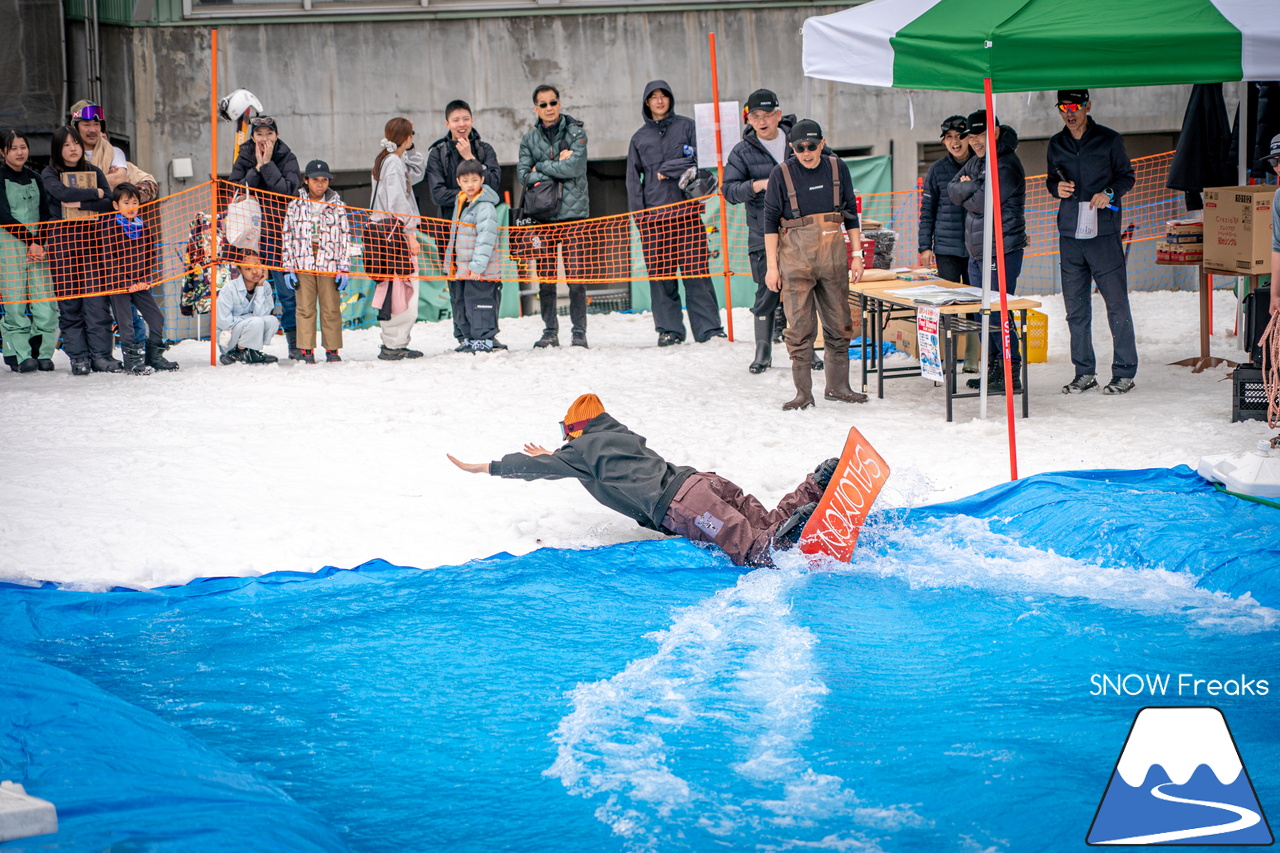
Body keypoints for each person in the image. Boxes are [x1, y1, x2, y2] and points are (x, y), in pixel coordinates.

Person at [447, 394, 838, 568]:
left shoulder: (581, 451)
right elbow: (561, 459)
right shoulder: (619, 435)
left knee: (755, 552)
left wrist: (484, 467)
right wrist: (554, 455)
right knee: (764, 519)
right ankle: (815, 485)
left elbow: (538, 469)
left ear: (575, 429)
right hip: (703, 482)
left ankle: (797, 523)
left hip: (685, 505)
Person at [763, 119, 867, 411]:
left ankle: (838, 386)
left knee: (840, 322)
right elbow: (769, 222)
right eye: (800, 147)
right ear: (791, 147)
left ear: (822, 143)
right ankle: (803, 393)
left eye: (811, 146)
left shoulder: (838, 168)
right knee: (799, 326)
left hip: (833, 259)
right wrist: (772, 267)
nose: (806, 152)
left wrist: (857, 254)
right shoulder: (781, 174)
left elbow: (851, 214)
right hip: (795, 262)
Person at [723, 89, 825, 375]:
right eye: (755, 116)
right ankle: (763, 351)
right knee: (767, 290)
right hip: (761, 231)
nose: (762, 121)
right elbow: (728, 190)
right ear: (749, 119)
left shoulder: (798, 139)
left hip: (802, 232)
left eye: (767, 115)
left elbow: (826, 166)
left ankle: (807, 350)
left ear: (778, 115)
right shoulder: (742, 150)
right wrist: (758, 185)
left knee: (804, 291)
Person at [1046, 90, 1139, 395]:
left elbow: (1127, 176)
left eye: (1075, 107)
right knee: (1075, 309)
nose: (1069, 114)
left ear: (1088, 106)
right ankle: (1084, 372)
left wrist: (1109, 193)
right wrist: (1055, 187)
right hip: (1071, 235)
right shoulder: (1056, 144)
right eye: (1064, 108)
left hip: (1104, 234)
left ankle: (1124, 372)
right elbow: (1050, 180)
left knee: (1116, 304)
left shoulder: (1109, 139)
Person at [626, 79, 726, 346]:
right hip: (654, 220)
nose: (659, 101)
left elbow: (701, 160)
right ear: (647, 102)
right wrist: (640, 220)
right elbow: (633, 183)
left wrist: (670, 167)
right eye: (654, 97)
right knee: (661, 277)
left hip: (688, 214)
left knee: (696, 272)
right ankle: (669, 330)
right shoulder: (638, 138)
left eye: (664, 96)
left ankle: (709, 329)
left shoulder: (687, 127)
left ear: (670, 99)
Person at [948, 110, 1027, 393]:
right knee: (984, 313)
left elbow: (982, 203)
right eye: (971, 137)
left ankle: (1010, 371)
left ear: (993, 132)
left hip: (1001, 249)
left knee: (998, 313)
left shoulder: (1006, 164)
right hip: (978, 251)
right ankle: (994, 369)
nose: (976, 142)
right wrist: (972, 185)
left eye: (980, 135)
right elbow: (952, 190)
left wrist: (970, 187)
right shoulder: (976, 161)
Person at [517, 85, 590, 349]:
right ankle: (550, 331)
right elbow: (523, 176)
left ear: (560, 104)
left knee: (576, 279)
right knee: (546, 279)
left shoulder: (576, 132)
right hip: (542, 217)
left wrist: (542, 166)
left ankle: (579, 332)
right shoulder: (528, 139)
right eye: (543, 104)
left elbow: (575, 166)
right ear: (535, 108)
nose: (549, 108)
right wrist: (558, 166)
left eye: (553, 102)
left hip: (574, 217)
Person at [41, 124, 118, 375]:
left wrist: (83, 201)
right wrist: (92, 192)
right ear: (58, 148)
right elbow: (61, 193)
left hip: (92, 243)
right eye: (66, 144)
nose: (72, 148)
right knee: (70, 303)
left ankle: (101, 355)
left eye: (75, 142)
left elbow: (108, 201)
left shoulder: (94, 170)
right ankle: (79, 357)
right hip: (62, 244)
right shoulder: (49, 172)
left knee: (96, 302)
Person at [228, 116, 302, 358]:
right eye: (259, 134)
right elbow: (236, 190)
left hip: (279, 235)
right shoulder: (245, 155)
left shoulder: (287, 157)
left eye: (269, 134)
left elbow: (287, 192)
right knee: (247, 293)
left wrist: (268, 165)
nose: (264, 139)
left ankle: (294, 344)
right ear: (252, 137)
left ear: (276, 136)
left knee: (287, 293)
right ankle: (243, 346)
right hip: (249, 238)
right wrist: (257, 168)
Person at [98, 182, 178, 374]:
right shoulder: (110, 227)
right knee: (126, 325)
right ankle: (132, 361)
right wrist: (126, 283)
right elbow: (108, 259)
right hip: (119, 285)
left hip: (140, 283)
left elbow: (151, 255)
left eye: (135, 202)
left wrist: (146, 279)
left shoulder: (144, 228)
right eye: (126, 203)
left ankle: (154, 355)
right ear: (116, 206)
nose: (131, 207)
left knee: (156, 318)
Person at [0, 130, 59, 372]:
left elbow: (46, 214)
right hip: (10, 247)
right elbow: (2, 214)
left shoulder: (36, 177)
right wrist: (30, 240)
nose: (19, 152)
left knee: (45, 302)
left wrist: (40, 241)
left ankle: (42, 352)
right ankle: (18, 355)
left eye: (23, 147)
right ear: (3, 152)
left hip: (38, 248)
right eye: (13, 148)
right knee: (14, 303)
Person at [369, 116, 426, 361]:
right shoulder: (392, 162)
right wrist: (410, 233)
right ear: (406, 136)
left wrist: (409, 149)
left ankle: (396, 342)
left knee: (397, 288)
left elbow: (417, 174)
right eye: (411, 134)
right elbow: (397, 203)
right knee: (402, 289)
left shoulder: (390, 160)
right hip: (396, 236)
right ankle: (393, 343)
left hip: (389, 233)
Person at [282, 159, 350, 364]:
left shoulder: (337, 206)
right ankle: (306, 349)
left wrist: (344, 267)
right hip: (303, 261)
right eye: (315, 180)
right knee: (305, 307)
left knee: (331, 307)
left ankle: (332, 349)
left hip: (329, 262)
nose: (320, 184)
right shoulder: (295, 205)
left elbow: (344, 236)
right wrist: (288, 268)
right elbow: (288, 236)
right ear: (306, 180)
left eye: (324, 180)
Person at [444, 159, 503, 352]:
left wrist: (477, 267)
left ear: (482, 180)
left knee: (480, 303)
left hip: (480, 271)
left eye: (474, 180)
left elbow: (486, 239)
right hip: (462, 268)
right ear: (458, 182)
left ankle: (483, 339)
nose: (470, 185)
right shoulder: (461, 203)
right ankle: (468, 338)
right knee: (463, 303)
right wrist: (449, 265)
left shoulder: (485, 207)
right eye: (466, 180)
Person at [70, 100, 159, 202]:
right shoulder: (69, 153)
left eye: (96, 124)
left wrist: (83, 183)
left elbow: (119, 179)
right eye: (86, 125)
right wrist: (107, 178)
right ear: (75, 127)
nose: (93, 130)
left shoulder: (114, 152)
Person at [217, 248, 280, 365]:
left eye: (257, 266)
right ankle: (235, 352)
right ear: (240, 270)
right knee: (256, 321)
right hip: (229, 337)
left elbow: (263, 316)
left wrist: (260, 287)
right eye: (248, 269)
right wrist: (250, 319)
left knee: (272, 320)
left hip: (250, 327)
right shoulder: (229, 288)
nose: (255, 272)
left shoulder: (265, 285)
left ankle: (252, 351)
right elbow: (224, 322)